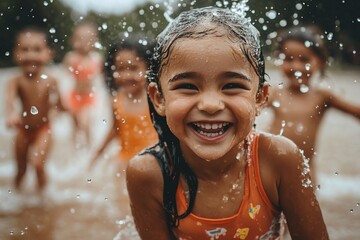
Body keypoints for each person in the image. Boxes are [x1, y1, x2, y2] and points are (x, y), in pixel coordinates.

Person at [126, 7, 329, 240]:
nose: (210, 105)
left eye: (232, 86)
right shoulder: (148, 174)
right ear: (158, 98)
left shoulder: (279, 160)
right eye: (188, 86)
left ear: (260, 98)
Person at [265, 25, 360, 185]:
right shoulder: (274, 93)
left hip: (305, 171)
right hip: (269, 167)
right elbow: (246, 109)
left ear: (320, 62)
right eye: (288, 59)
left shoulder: (323, 97)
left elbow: (356, 112)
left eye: (304, 60)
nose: (296, 67)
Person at [6, 26, 65, 192]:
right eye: (25, 50)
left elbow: (60, 104)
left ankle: (42, 199)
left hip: (43, 129)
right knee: (21, 170)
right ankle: (17, 199)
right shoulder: (15, 81)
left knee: (38, 165)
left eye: (37, 50)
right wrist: (12, 114)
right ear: (16, 54)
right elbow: (10, 101)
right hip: (23, 130)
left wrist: (58, 110)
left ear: (49, 54)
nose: (31, 55)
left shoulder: (51, 80)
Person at [89, 36, 158, 168]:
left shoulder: (154, 97)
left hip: (153, 161)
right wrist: (96, 155)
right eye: (120, 69)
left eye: (133, 69)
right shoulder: (116, 99)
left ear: (149, 68)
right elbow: (115, 130)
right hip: (125, 160)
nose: (126, 76)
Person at [62, 21, 103, 149]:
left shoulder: (96, 58)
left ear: (94, 41)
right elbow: (63, 78)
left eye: (88, 39)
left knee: (85, 123)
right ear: (73, 40)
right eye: (80, 39)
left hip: (88, 96)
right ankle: (75, 150)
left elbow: (102, 80)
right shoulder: (71, 58)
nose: (84, 42)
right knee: (74, 126)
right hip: (74, 96)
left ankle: (89, 147)